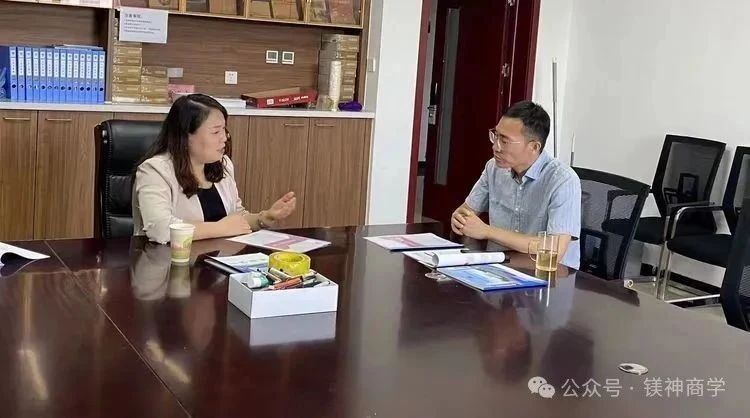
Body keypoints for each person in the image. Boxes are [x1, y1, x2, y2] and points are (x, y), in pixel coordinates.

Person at [133, 93, 296, 243]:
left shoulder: (222, 165)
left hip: (218, 260)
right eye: (216, 132)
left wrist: (265, 218)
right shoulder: (154, 171)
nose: (224, 138)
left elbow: (237, 218)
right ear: (185, 135)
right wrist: (220, 228)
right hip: (169, 261)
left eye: (224, 129)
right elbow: (160, 229)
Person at [451, 101, 581, 268]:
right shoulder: (493, 168)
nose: (495, 147)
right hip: (498, 267)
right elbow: (466, 211)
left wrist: (487, 231)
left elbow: (553, 249)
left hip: (546, 275)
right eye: (496, 136)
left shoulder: (563, 180)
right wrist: (460, 219)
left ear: (534, 147)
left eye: (505, 141)